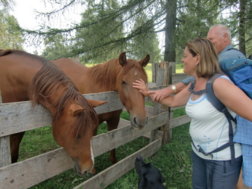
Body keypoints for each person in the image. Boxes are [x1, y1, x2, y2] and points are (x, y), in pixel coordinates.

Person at [133, 38, 252, 189]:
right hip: (199, 154)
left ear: (197, 58)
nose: (182, 60)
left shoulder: (220, 84)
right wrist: (148, 92)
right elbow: (173, 101)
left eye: (185, 56)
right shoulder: (195, 83)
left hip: (222, 161)